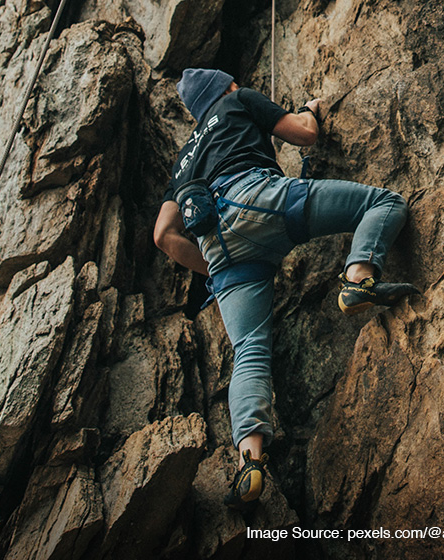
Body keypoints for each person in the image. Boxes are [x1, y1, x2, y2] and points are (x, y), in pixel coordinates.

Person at [153, 68, 418, 510]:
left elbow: (164, 234)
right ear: (227, 87)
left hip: (220, 250)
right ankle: (357, 280)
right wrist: (309, 111)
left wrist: (216, 272)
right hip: (258, 200)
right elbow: (304, 136)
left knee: (250, 352)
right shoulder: (238, 100)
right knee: (384, 203)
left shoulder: (183, 159)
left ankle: (250, 462)